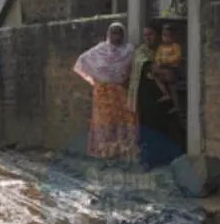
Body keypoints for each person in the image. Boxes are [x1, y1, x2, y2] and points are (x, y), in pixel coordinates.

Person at [74, 22, 137, 160]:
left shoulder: (129, 51)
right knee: (104, 122)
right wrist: (97, 79)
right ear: (108, 34)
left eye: (119, 33)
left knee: (123, 121)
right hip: (103, 94)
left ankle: (121, 153)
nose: (116, 37)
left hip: (121, 92)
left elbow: (133, 70)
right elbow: (82, 61)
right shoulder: (100, 50)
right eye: (113, 33)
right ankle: (103, 154)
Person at [131, 22, 186, 169]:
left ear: (157, 35)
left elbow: (171, 71)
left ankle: (166, 157)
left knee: (166, 126)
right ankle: (148, 160)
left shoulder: (161, 50)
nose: (147, 38)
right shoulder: (141, 52)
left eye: (150, 34)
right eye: (145, 35)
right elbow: (152, 70)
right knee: (149, 127)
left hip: (163, 98)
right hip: (147, 96)